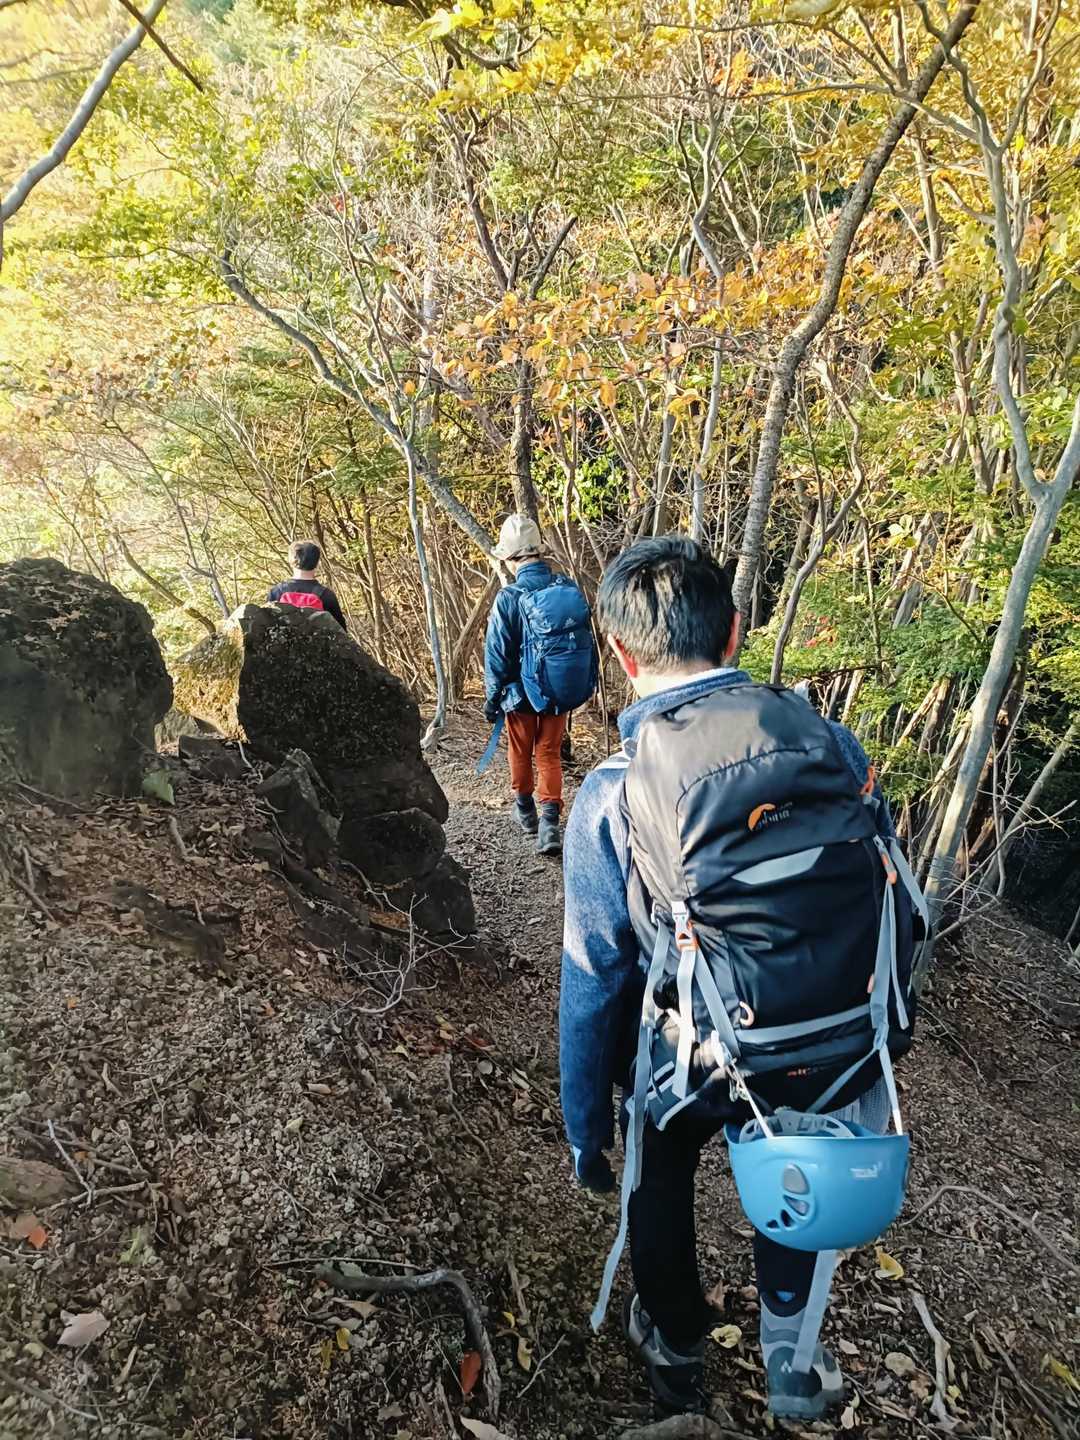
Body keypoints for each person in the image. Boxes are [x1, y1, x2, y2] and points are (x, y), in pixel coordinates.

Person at [559, 536, 912, 1421]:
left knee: (657, 1149)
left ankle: (675, 1344)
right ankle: (791, 1353)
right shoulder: (833, 746)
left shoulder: (614, 790)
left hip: (699, 1054)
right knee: (797, 1152)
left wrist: (585, 1127)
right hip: (833, 1039)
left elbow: (594, 976)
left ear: (620, 653)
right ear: (735, 630)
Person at [483, 514, 596, 858]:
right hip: (557, 688)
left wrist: (492, 698)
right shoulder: (564, 587)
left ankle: (526, 812)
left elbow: (497, 654)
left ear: (509, 558)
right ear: (538, 552)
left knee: (520, 751)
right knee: (548, 752)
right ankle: (549, 824)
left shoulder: (508, 597)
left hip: (520, 696)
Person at [268, 541, 346, 629]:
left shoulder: (276, 592)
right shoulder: (326, 595)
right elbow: (341, 631)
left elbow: (266, 628)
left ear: (290, 560)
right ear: (317, 563)